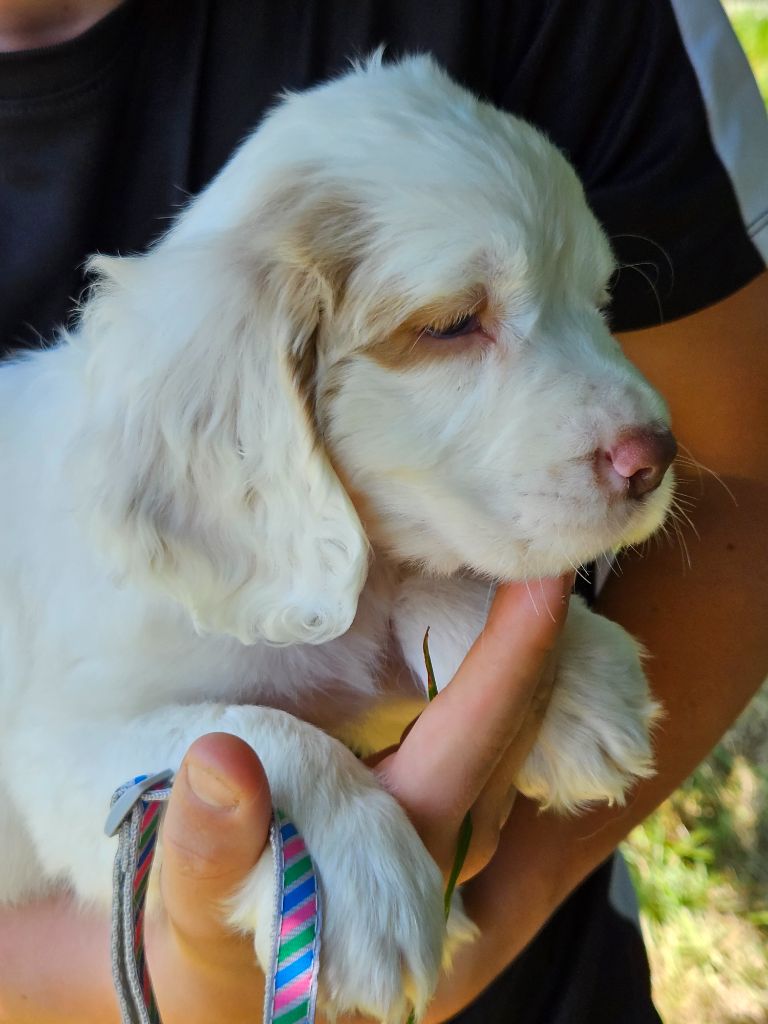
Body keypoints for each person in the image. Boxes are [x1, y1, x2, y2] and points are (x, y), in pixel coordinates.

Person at [0, 1, 766, 1022]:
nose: (635, 429)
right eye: (455, 323)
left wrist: (497, 887)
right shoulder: (158, 478)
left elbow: (746, 484)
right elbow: (62, 768)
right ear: (264, 396)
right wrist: (168, 971)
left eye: (591, 303)